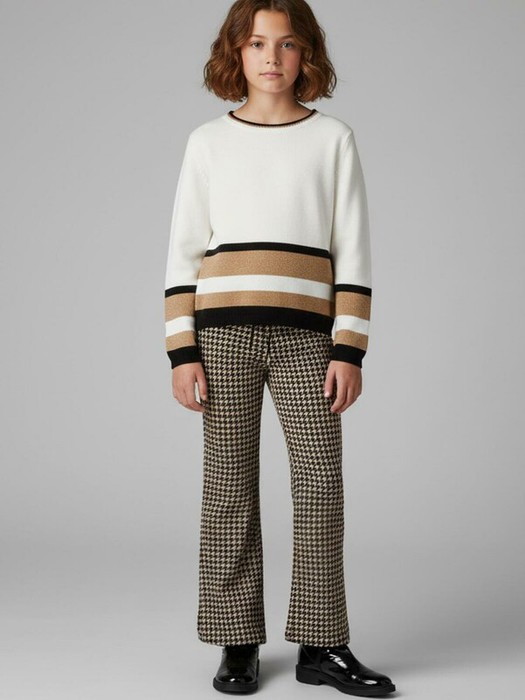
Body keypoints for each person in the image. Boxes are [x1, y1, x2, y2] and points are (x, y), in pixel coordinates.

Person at [164, 0, 396, 695]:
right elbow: (183, 250)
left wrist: (348, 349)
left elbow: (352, 247)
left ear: (307, 54)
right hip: (222, 335)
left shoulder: (332, 139)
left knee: (320, 484)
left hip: (308, 338)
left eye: (287, 44)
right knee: (228, 486)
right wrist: (182, 351)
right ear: (235, 53)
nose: (272, 57)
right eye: (258, 44)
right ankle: (238, 642)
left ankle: (322, 643)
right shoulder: (208, 141)